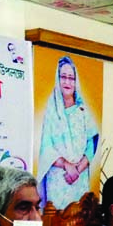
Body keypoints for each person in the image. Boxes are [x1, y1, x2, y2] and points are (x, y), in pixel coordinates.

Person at [37, 55, 99, 211]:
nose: (67, 82)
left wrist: (77, 169)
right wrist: (66, 165)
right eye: (63, 77)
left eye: (71, 78)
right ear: (57, 80)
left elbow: (91, 144)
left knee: (81, 221)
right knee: (57, 224)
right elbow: (46, 147)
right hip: (58, 179)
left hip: (80, 178)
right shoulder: (51, 112)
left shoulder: (83, 111)